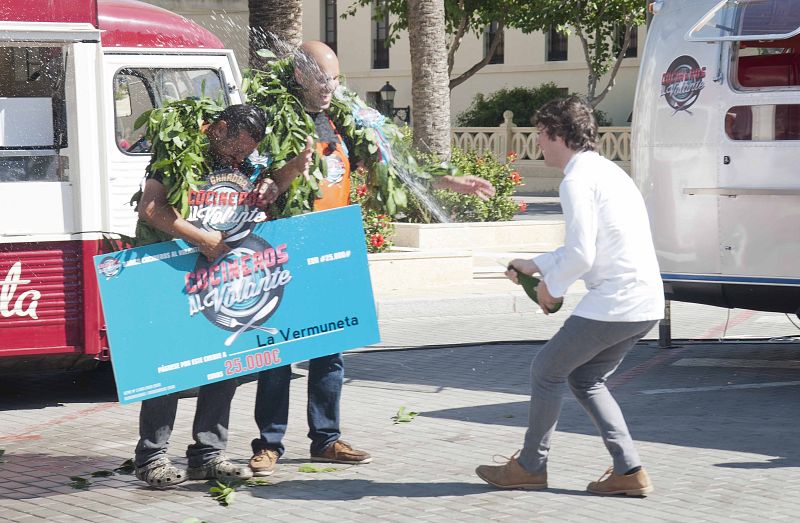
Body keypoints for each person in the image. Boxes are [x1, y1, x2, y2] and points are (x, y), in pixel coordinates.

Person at [249, 41, 496, 477]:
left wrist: (451, 181)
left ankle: (326, 439)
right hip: (286, 251)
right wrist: (286, 173)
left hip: (332, 249)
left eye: (334, 79)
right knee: (279, 353)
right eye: (321, 79)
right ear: (300, 75)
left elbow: (394, 167)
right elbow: (259, 187)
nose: (329, 87)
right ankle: (269, 444)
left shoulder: (343, 122)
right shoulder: (273, 119)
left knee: (330, 351)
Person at [475, 97, 664, 496]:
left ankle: (530, 466)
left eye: (541, 134)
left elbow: (581, 255)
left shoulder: (575, 181)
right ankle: (629, 471)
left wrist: (551, 288)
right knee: (585, 377)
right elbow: (585, 246)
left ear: (559, 134)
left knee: (546, 371)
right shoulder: (608, 171)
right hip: (645, 301)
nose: (537, 142)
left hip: (616, 302)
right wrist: (535, 265)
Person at [133, 104, 312, 488]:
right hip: (174, 271)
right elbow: (151, 207)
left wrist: (282, 177)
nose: (238, 157)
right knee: (171, 364)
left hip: (224, 275)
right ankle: (151, 458)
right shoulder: (181, 150)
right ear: (219, 128)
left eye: (246, 152)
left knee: (224, 361)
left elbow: (268, 189)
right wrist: (202, 239)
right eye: (235, 148)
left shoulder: (249, 162)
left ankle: (208, 454)